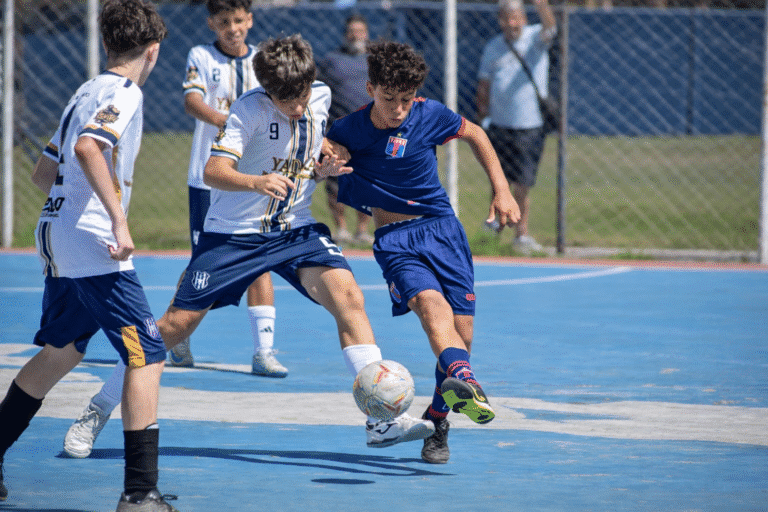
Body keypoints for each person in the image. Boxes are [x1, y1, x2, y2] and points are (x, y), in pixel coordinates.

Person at [175, 35, 434, 450]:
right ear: (266, 90)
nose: (297, 107)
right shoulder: (247, 110)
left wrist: (324, 166)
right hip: (236, 234)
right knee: (176, 326)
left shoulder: (321, 97)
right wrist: (255, 181)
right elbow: (213, 170)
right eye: (285, 99)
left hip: (295, 230)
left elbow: (307, 155)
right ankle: (100, 404)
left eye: (301, 97)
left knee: (348, 297)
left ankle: (382, 421)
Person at [61, 0, 286, 462]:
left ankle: (265, 350)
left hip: (259, 190)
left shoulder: (266, 64)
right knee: (176, 316)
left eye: (240, 20)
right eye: (224, 21)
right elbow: (190, 102)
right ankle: (108, 400)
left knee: (294, 277)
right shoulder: (198, 59)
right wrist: (233, 122)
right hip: (211, 184)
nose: (233, 29)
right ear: (211, 24)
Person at [0, 2, 177, 511]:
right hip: (92, 243)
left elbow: (42, 172)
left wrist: (69, 206)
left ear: (106, 45)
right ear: (153, 49)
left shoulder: (85, 91)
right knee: (147, 354)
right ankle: (140, 493)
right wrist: (117, 218)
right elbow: (87, 149)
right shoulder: (124, 92)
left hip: (55, 234)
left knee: (62, 350)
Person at [323, 41, 521, 464]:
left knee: (461, 335)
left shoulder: (429, 115)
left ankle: (438, 419)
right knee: (432, 310)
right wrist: (328, 163)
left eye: (406, 100)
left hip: (444, 232)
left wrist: (501, 190)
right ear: (370, 88)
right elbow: (329, 155)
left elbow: (476, 133)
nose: (398, 109)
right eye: (388, 98)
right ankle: (467, 380)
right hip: (396, 240)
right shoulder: (348, 129)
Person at [476, 0, 556, 253]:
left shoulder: (534, 38)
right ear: (500, 20)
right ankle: (494, 230)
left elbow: (551, 28)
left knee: (522, 184)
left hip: (529, 126)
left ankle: (521, 235)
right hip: (499, 125)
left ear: (523, 18)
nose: (512, 23)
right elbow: (484, 84)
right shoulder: (493, 47)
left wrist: (542, 5)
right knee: (499, 182)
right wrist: (483, 116)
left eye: (516, 17)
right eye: (507, 18)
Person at [317, 14, 374, 246]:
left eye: (360, 31)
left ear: (367, 33)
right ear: (345, 34)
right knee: (335, 180)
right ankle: (341, 228)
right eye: (352, 31)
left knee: (368, 181)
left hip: (369, 130)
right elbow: (319, 92)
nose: (356, 35)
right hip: (337, 131)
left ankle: (362, 229)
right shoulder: (331, 60)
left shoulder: (375, 60)